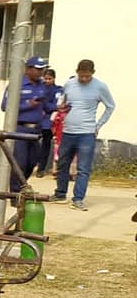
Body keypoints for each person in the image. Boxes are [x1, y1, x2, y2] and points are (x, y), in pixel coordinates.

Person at [52, 59, 115, 211]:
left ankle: (78, 199)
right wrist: (60, 108)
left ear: (92, 73)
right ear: (77, 72)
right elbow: (62, 101)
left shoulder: (100, 86)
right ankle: (60, 194)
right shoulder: (69, 84)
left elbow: (110, 106)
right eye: (81, 76)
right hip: (67, 132)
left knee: (83, 168)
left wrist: (98, 125)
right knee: (62, 164)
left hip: (86, 133)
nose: (84, 79)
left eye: (87, 76)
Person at [0, 55, 48, 192]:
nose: (40, 72)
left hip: (36, 130)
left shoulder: (42, 86)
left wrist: (58, 107)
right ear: (28, 69)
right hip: (20, 129)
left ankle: (22, 186)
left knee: (32, 162)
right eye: (38, 69)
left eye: (42, 69)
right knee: (20, 162)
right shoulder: (16, 85)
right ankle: (15, 193)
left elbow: (45, 106)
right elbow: (5, 106)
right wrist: (28, 104)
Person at [36, 68, 64, 178]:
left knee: (47, 145)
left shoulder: (58, 90)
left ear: (54, 78)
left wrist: (50, 107)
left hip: (51, 121)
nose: (47, 81)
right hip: (38, 120)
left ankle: (43, 168)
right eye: (45, 78)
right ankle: (38, 165)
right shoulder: (39, 88)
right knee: (36, 144)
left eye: (49, 79)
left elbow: (58, 104)